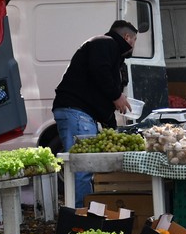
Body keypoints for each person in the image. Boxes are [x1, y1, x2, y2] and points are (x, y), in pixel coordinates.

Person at [52, 20, 136, 207]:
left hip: (80, 112)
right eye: (134, 40)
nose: (134, 46)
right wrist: (116, 96)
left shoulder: (110, 51)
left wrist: (111, 124)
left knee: (86, 167)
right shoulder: (105, 43)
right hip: (76, 111)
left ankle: (85, 213)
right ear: (127, 37)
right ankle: (82, 217)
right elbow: (100, 71)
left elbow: (99, 87)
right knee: (83, 167)